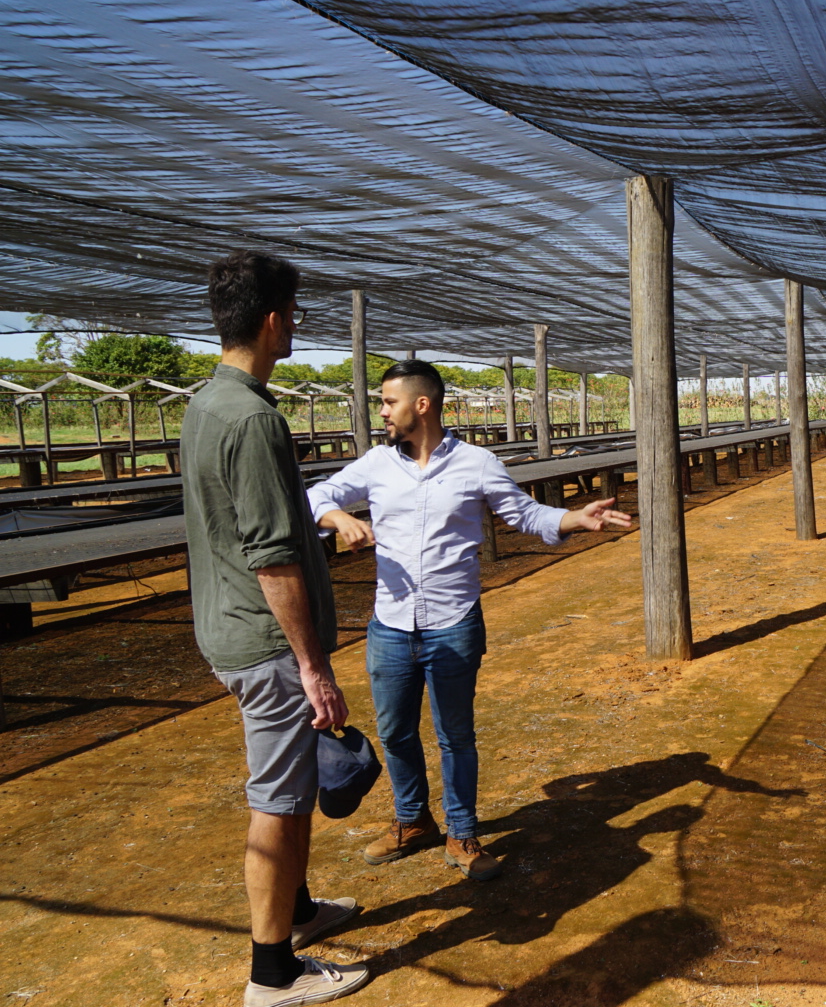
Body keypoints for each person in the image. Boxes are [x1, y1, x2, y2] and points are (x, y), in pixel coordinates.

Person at [307, 360, 630, 881]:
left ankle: (462, 833)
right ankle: (412, 821)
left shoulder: (477, 463)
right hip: (389, 625)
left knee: (456, 734)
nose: (382, 412)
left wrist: (572, 518)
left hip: (453, 621)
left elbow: (524, 515)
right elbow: (313, 497)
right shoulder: (374, 465)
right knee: (395, 733)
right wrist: (340, 517)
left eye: (389, 402)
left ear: (422, 405)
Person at [181, 251, 370, 1007]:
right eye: (292, 313)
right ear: (272, 319)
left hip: (226, 628)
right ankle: (272, 973)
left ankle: (297, 913)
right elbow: (271, 561)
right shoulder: (254, 418)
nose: (295, 325)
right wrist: (312, 667)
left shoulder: (207, 405)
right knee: (280, 799)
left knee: (288, 781)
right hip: (265, 645)